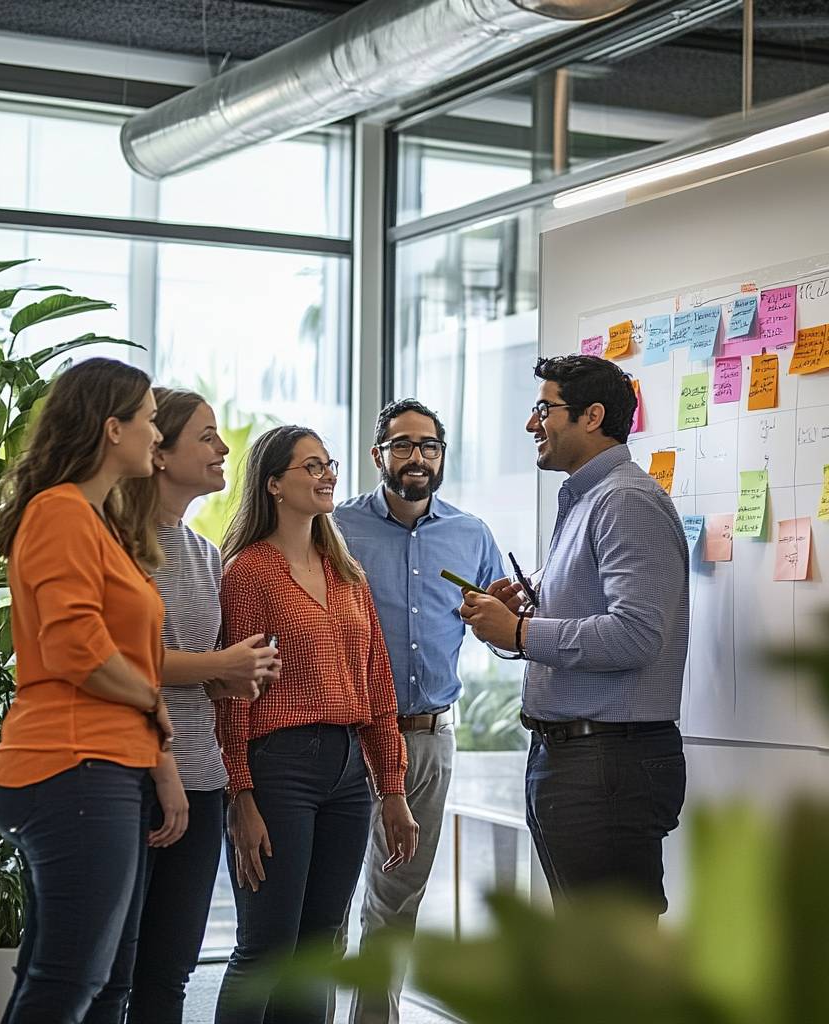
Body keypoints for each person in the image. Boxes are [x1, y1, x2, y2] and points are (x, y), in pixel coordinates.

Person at [0, 357, 187, 1024]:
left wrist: (155, 753)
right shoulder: (60, 513)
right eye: (151, 421)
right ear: (111, 429)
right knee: (70, 982)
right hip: (71, 764)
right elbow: (79, 651)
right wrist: (154, 704)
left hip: (100, 765)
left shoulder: (95, 521)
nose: (157, 436)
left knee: (83, 983)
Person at [460, 354, 688, 918]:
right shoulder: (587, 499)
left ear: (591, 416)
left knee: (611, 961)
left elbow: (636, 635)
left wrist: (521, 629)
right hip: (579, 759)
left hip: (607, 762)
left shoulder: (624, 501)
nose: (532, 424)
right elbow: (589, 618)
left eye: (544, 408)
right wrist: (518, 618)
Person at [214, 425, 419, 1024]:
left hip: (348, 771)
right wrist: (240, 793)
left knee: (319, 946)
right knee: (267, 947)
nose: (327, 474)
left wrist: (393, 790)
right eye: (311, 467)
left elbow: (377, 686)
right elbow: (233, 696)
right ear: (274, 484)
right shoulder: (248, 574)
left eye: (328, 464)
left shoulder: (346, 574)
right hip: (279, 768)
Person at [334, 398, 504, 1024]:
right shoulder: (337, 527)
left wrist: (509, 618)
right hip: (344, 736)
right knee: (326, 896)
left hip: (427, 737)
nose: (417, 458)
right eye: (402, 445)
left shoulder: (472, 534)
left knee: (397, 898)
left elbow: (499, 629)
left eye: (428, 446)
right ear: (378, 454)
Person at [120, 389, 281, 1024]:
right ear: (158, 453)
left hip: (201, 775)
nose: (222, 450)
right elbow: (120, 661)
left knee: (170, 970)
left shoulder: (204, 552)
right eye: (207, 436)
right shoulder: (117, 542)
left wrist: (236, 677)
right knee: (110, 969)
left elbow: (193, 674)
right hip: (126, 770)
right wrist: (220, 666)